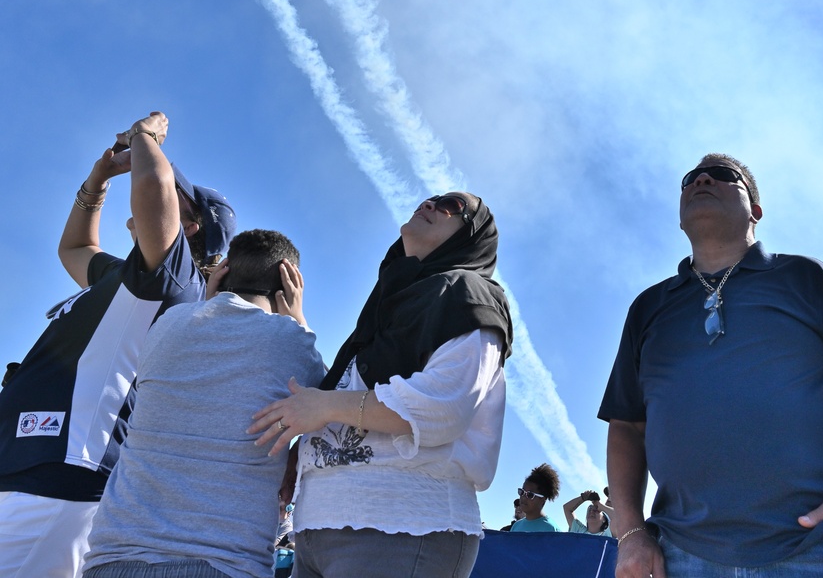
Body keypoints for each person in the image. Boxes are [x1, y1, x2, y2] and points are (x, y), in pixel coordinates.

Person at [600, 153, 823, 578]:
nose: (702, 179)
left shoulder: (809, 279)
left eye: (723, 176)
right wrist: (630, 533)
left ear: (756, 210)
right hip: (680, 558)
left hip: (818, 552)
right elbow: (626, 428)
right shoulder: (649, 309)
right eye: (690, 179)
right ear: (678, 216)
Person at [0, 112, 236, 578]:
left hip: (61, 479)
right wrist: (97, 182)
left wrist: (145, 137)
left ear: (191, 228)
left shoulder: (175, 281)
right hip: (24, 466)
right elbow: (73, 248)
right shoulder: (123, 275)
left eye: (175, 198)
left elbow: (152, 187)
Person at [251, 192, 513, 578]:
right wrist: (304, 452)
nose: (431, 205)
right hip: (317, 530)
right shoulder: (387, 308)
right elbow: (348, 385)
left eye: (452, 205)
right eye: (429, 199)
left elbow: (443, 407)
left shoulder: (469, 294)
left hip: (401, 527)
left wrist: (323, 408)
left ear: (472, 235)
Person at [82, 229, 324, 578]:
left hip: (114, 557)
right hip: (224, 562)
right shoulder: (294, 343)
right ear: (289, 286)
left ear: (224, 271)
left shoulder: (166, 325)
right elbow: (328, 401)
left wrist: (208, 302)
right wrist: (299, 321)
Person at [510, 464, 560, 533]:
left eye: (530, 495)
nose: (523, 497)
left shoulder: (551, 530)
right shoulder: (516, 526)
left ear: (542, 499)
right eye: (522, 492)